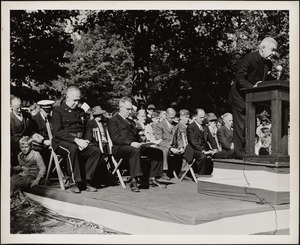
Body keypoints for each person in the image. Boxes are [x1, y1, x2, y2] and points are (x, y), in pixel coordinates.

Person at [229, 37, 278, 158]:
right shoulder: (249, 58)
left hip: (253, 100)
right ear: (262, 47)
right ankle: (240, 154)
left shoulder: (269, 64)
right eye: (272, 50)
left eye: (275, 50)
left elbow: (265, 81)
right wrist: (253, 88)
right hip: (240, 98)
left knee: (251, 126)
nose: (274, 53)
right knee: (240, 127)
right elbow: (240, 78)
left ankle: (249, 152)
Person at [107, 97, 165, 192]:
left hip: (134, 145)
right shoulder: (113, 120)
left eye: (131, 109)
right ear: (121, 107)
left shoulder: (131, 122)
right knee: (135, 151)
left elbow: (136, 136)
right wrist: (130, 143)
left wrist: (145, 143)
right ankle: (134, 180)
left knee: (157, 152)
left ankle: (152, 178)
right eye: (127, 109)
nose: (129, 111)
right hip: (120, 147)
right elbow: (115, 138)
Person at [51, 86, 102, 193]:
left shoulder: (81, 112)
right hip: (61, 142)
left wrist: (87, 141)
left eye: (78, 100)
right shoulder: (57, 110)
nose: (77, 103)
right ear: (67, 97)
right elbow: (57, 132)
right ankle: (74, 182)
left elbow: (88, 128)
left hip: (80, 140)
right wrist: (76, 140)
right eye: (75, 100)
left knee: (95, 151)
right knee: (72, 149)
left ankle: (86, 181)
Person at [154, 108, 182, 179]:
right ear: (166, 115)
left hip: (173, 146)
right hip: (162, 146)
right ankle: (164, 171)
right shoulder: (159, 125)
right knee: (165, 150)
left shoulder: (176, 125)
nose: (172, 119)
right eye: (171, 118)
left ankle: (182, 172)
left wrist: (181, 147)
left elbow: (179, 138)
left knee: (186, 151)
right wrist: (171, 148)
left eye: (174, 117)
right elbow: (159, 140)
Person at [184, 109, 214, 176]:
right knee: (203, 156)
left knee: (217, 155)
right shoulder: (190, 127)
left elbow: (211, 139)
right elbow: (193, 142)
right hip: (193, 149)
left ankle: (209, 174)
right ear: (195, 117)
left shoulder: (205, 127)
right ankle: (202, 176)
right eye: (201, 117)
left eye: (204, 117)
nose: (202, 119)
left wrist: (215, 148)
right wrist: (203, 150)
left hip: (204, 148)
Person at [10, 95, 35, 167]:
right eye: (16, 108)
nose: (19, 110)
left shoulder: (27, 115)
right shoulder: (9, 118)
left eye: (20, 107)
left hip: (29, 144)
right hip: (16, 147)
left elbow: (31, 130)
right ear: (11, 107)